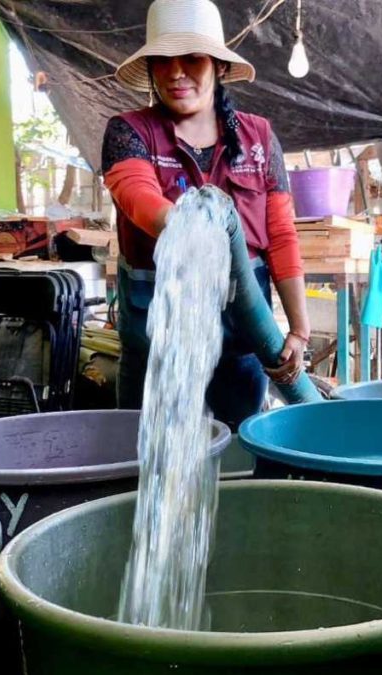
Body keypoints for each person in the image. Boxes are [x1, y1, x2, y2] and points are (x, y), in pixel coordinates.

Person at [103, 0, 311, 431]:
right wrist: (191, 224)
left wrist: (299, 331)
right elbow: (136, 195)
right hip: (155, 344)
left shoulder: (258, 138)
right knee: (139, 462)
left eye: (192, 58)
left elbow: (281, 236)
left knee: (240, 453)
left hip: (242, 340)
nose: (176, 72)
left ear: (217, 65)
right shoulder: (128, 131)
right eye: (163, 60)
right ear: (151, 69)